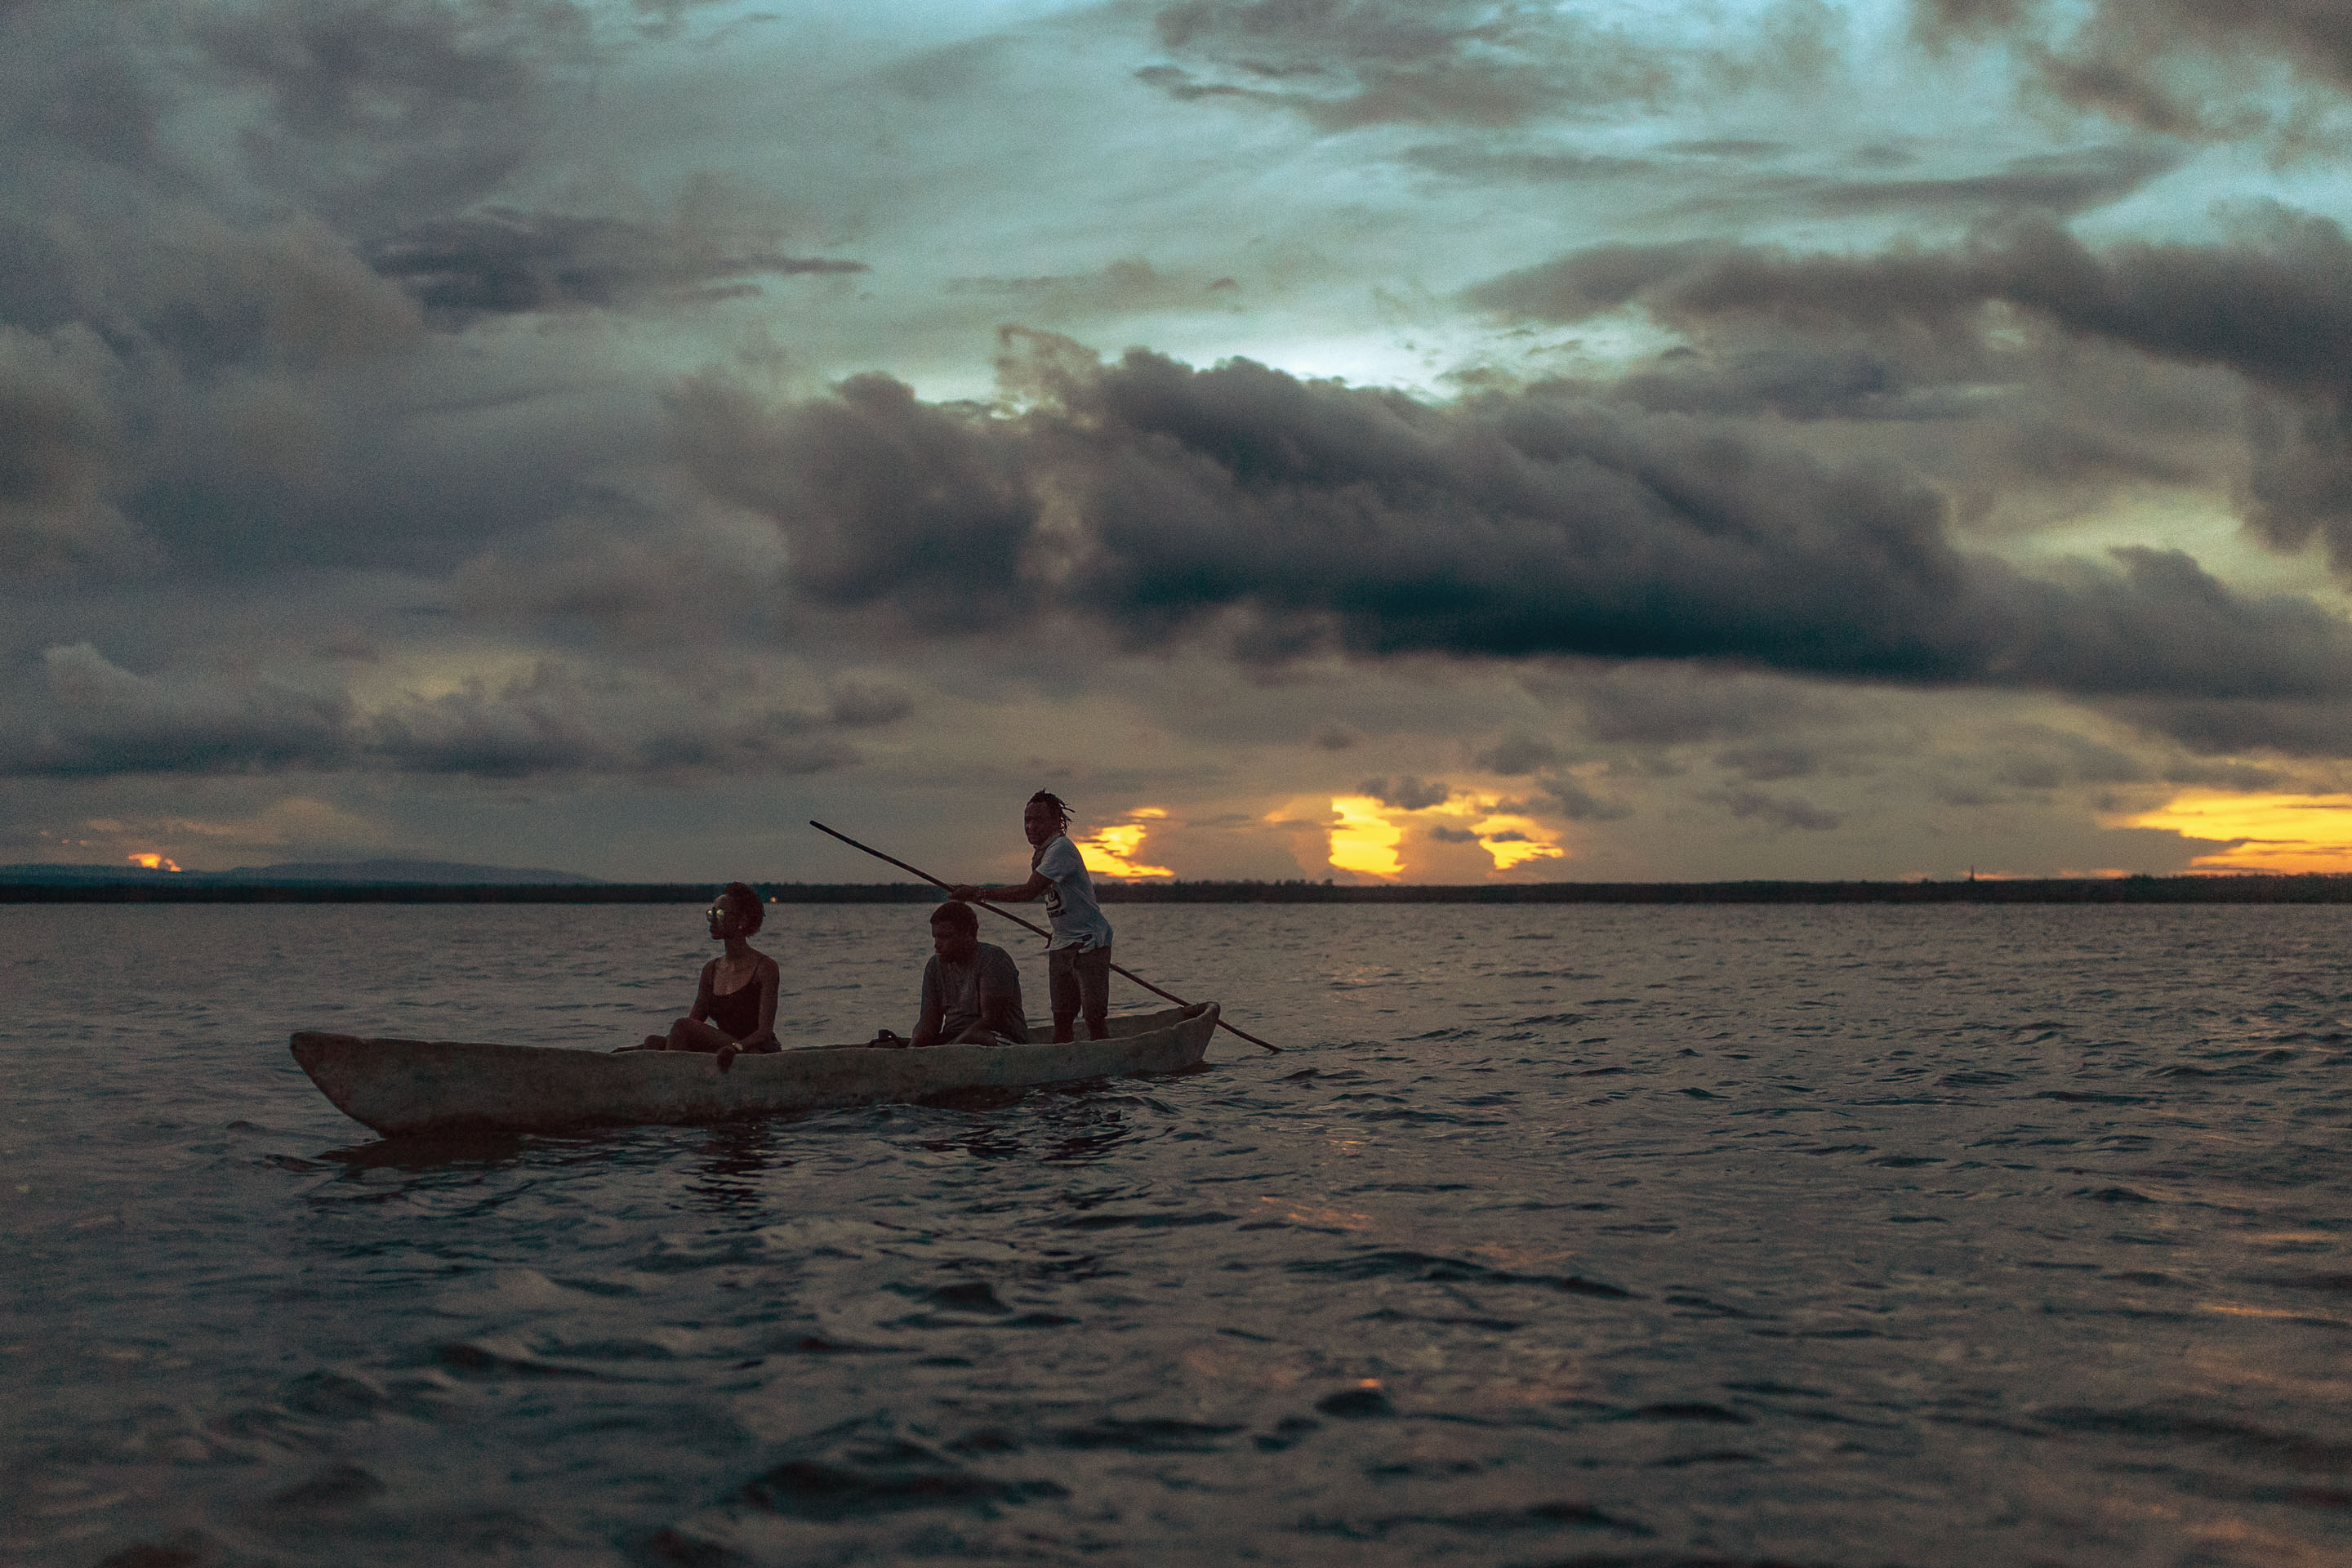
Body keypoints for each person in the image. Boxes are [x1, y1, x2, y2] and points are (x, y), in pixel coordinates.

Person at [951, 790, 1113, 1042]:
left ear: (1056, 821)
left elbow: (1029, 891)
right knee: (1061, 1019)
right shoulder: (1042, 853)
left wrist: (977, 893)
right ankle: (1063, 1061)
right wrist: (1059, 930)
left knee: (1094, 1018)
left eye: (1038, 820)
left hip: (1089, 943)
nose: (1031, 827)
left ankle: (1103, 1058)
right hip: (1062, 942)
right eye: (1027, 820)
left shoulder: (1061, 849)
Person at [622, 882, 780, 1071]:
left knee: (681, 1026)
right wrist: (638, 1049)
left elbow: (764, 1032)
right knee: (653, 1042)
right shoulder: (711, 970)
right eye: (711, 914)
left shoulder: (765, 968)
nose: (713, 920)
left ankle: (672, 1083)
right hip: (724, 1047)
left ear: (742, 921)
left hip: (753, 1050)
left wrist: (735, 1048)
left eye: (720, 914)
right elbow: (694, 1023)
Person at [894, 901, 1027, 1047]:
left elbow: (992, 1020)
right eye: (935, 937)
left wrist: (951, 1048)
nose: (937, 944)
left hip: (997, 1038)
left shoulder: (993, 959)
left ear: (968, 934)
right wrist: (913, 1048)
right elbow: (928, 1024)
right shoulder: (934, 965)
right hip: (953, 1039)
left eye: (945, 937)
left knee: (973, 1037)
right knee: (886, 1043)